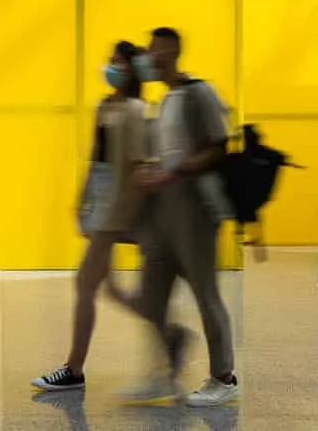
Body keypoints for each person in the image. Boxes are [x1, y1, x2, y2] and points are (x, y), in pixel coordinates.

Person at [124, 26, 238, 409]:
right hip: (162, 212)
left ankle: (224, 376)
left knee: (206, 293)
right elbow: (167, 152)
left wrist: (178, 169)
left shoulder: (198, 93)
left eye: (154, 52)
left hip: (194, 209)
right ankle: (161, 373)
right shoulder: (165, 99)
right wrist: (152, 170)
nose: (148, 58)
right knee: (149, 295)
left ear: (170, 53)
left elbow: (219, 147)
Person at [33, 41, 156, 395]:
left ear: (132, 70)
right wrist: (82, 199)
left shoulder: (135, 109)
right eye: (111, 61)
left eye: (119, 62)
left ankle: (74, 368)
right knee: (111, 288)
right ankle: (170, 332)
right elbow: (95, 157)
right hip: (101, 202)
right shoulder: (106, 105)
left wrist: (120, 213)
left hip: (117, 206)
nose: (112, 67)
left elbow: (134, 165)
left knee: (85, 284)